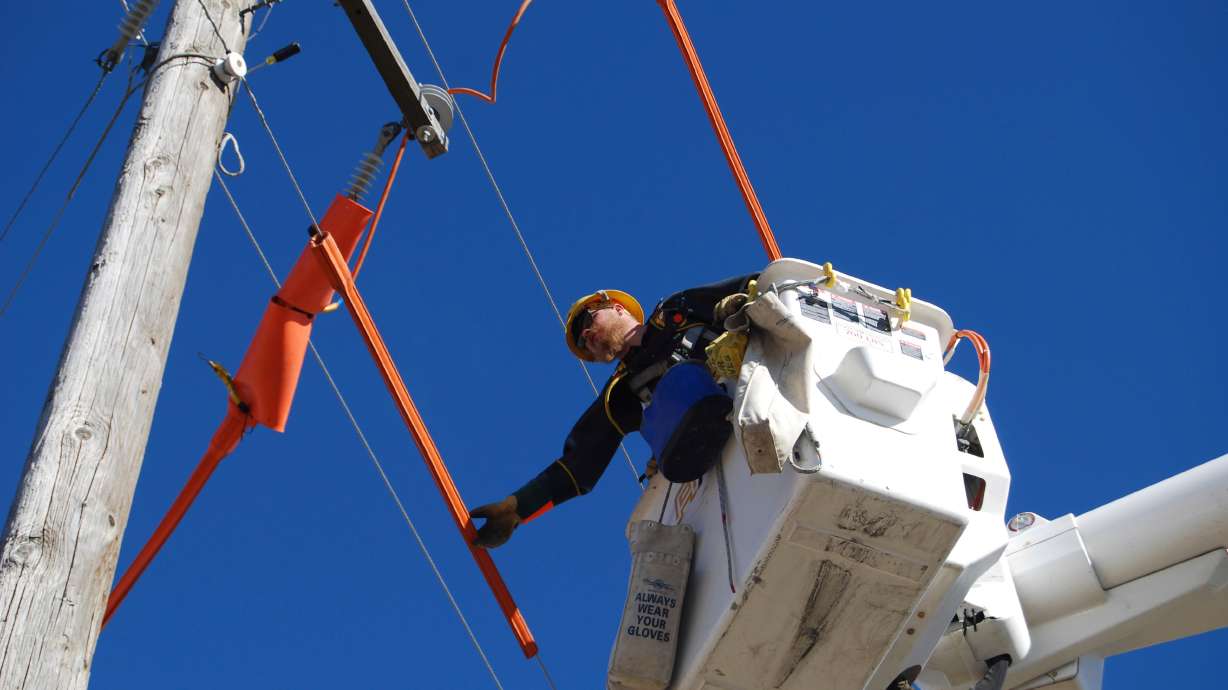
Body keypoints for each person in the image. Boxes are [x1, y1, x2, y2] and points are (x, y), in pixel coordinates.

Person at [469, 273, 758, 548]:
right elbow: (578, 464)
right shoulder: (621, 393)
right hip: (716, 445)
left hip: (758, 393)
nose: (586, 336)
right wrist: (516, 508)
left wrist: (738, 310)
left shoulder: (677, 311)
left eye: (588, 320)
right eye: (583, 343)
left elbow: (756, 283)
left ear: (618, 308)